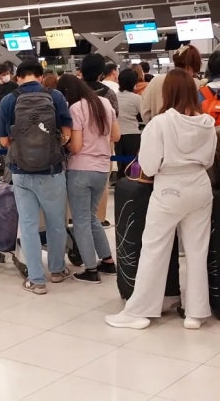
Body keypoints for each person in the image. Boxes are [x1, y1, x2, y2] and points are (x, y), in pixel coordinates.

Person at [106, 69, 217, 331]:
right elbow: (210, 160)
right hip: (200, 185)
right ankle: (196, 313)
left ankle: (140, 310)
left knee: (154, 249)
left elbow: (149, 165)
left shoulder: (160, 123)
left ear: (168, 92)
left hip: (169, 187)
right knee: (197, 251)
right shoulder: (207, 123)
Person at [0, 59, 72, 294]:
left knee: (28, 225)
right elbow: (67, 134)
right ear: (40, 76)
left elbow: (4, 141)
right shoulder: (55, 96)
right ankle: (57, 270)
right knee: (56, 223)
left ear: (18, 77)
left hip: (21, 172)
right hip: (52, 171)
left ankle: (37, 280)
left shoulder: (8, 100)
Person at [56, 74, 120, 282]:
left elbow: (76, 146)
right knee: (92, 218)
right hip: (102, 169)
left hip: (80, 170)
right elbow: (116, 136)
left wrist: (63, 144)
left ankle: (91, 269)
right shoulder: (104, 103)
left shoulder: (76, 108)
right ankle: (108, 261)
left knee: (81, 221)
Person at [81, 54, 119, 226]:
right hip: (104, 140)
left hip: (79, 140)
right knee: (102, 183)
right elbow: (115, 116)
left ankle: (75, 216)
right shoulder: (108, 93)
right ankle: (100, 218)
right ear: (101, 73)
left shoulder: (75, 91)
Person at [141, 45, 202, 123]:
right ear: (192, 67)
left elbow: (145, 111)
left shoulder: (156, 81)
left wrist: (154, 124)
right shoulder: (197, 84)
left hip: (159, 127)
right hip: (188, 128)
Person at [116, 68, 143, 178]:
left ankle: (119, 181)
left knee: (120, 161)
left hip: (117, 135)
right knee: (131, 162)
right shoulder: (137, 98)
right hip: (132, 135)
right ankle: (130, 182)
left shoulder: (114, 96)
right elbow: (144, 115)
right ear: (133, 82)